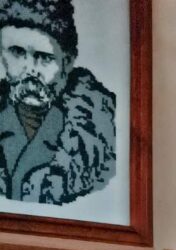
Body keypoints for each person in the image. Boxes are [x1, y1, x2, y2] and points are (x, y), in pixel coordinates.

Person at [0, 0, 116, 204]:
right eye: (17, 52)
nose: (30, 70)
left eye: (44, 57)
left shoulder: (97, 132)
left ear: (68, 62)